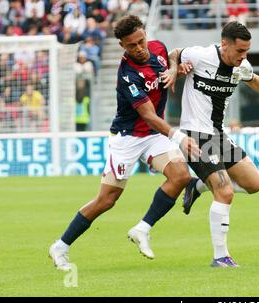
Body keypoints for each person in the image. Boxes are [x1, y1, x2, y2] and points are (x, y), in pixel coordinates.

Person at [48, 15, 200, 271]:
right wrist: (179, 137)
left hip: (152, 137)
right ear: (122, 45)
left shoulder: (158, 48)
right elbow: (149, 116)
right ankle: (60, 246)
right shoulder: (127, 75)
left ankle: (142, 229)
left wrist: (175, 69)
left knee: (181, 176)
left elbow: (173, 54)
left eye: (142, 41)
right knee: (107, 200)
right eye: (132, 45)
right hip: (128, 138)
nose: (140, 48)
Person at [172, 22, 259, 267]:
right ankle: (220, 256)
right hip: (196, 135)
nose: (244, 57)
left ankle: (196, 186)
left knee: (254, 184)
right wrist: (173, 69)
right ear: (224, 44)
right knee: (225, 192)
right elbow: (175, 52)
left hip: (218, 135)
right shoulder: (201, 56)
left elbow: (253, 79)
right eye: (240, 51)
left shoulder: (242, 66)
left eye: (247, 51)